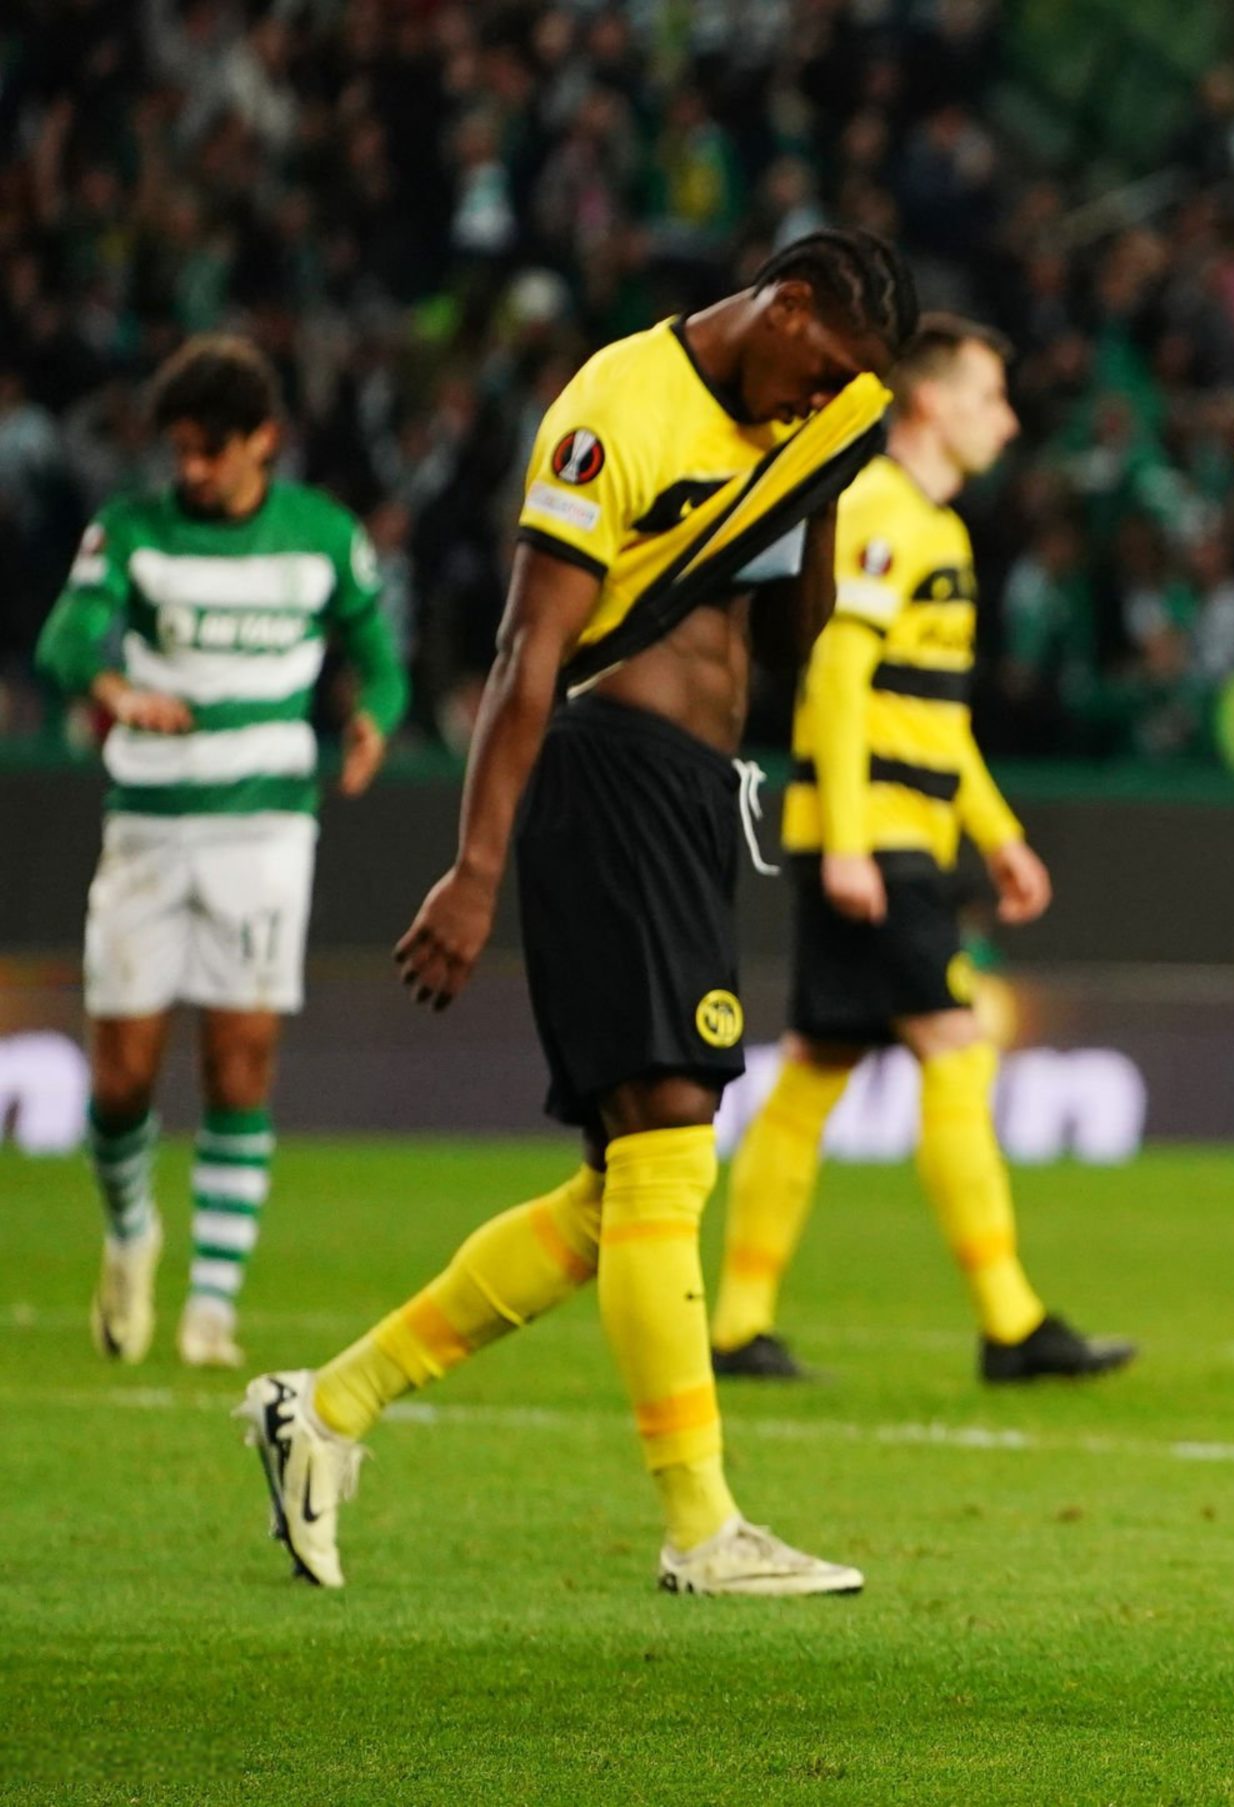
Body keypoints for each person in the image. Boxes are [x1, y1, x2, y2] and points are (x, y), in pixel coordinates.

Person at [233, 230, 916, 1597]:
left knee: (627, 1190)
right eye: (825, 367)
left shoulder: (801, 428)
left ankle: (328, 1406)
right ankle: (702, 1528)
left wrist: (825, 483)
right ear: (784, 306)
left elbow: (792, 645)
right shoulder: (620, 406)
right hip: (609, 778)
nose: (823, 393)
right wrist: (474, 866)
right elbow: (527, 646)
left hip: (695, 792)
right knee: (665, 1147)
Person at [709, 315, 1136, 1385]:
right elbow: (835, 678)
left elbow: (928, 712)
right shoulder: (879, 513)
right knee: (955, 1046)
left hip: (899, 835)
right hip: (877, 842)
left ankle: (739, 1322)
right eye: (991, 397)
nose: (1009, 420)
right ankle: (1010, 1322)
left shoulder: (935, 529)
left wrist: (998, 834)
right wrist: (850, 845)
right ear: (932, 404)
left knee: (816, 1068)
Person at [33, 336, 407, 1371]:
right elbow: (64, 642)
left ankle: (210, 1306)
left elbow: (380, 659)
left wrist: (373, 720)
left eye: (210, 451)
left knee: (240, 1058)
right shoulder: (132, 531)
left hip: (266, 830)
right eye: (181, 451)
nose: (191, 470)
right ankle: (130, 1232)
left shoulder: (323, 537)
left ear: (263, 442)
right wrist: (116, 691)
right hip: (148, 828)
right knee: (121, 1075)